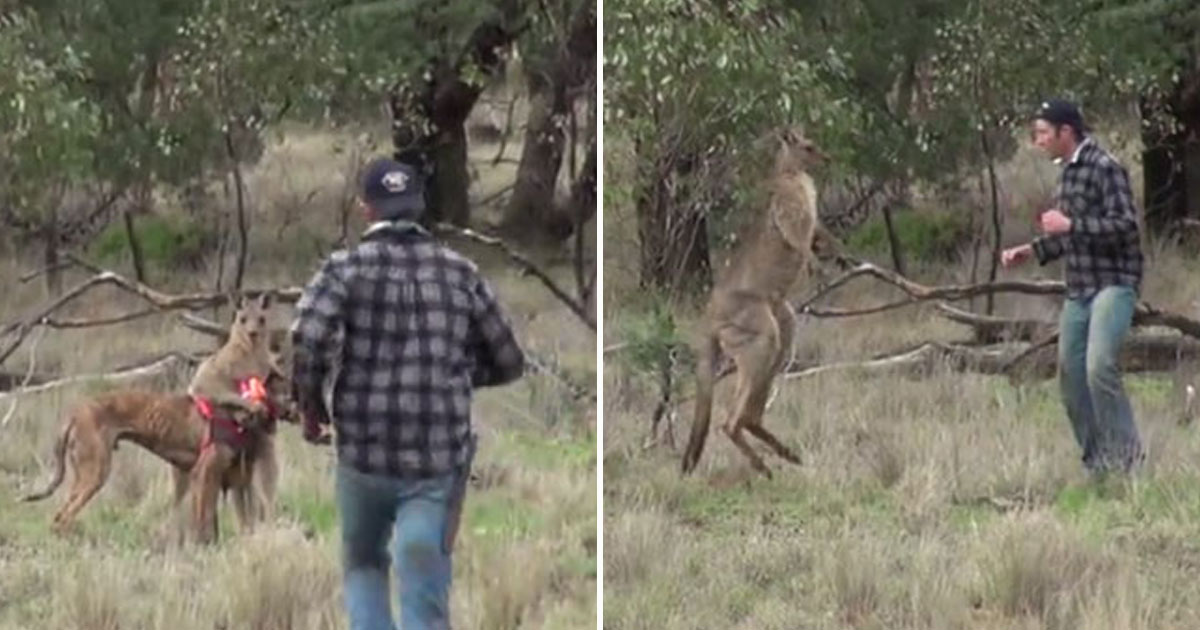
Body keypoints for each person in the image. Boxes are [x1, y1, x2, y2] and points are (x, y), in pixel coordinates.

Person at [290, 156, 526, 630]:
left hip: (363, 455)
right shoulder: (460, 272)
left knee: (364, 565)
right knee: (424, 585)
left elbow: (306, 336)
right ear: (418, 207)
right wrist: (452, 375)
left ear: (366, 209)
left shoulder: (344, 269)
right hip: (435, 464)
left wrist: (311, 406)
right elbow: (508, 359)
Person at [1001, 98, 1145, 477]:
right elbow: (1068, 237)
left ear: (1066, 132)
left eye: (1043, 133)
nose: (1038, 141)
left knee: (1099, 367)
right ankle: (1098, 463)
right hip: (1079, 288)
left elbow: (1126, 226)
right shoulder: (1066, 173)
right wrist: (1030, 251)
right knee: (1070, 375)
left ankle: (1128, 461)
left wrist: (1071, 225)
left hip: (1114, 281)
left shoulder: (1105, 167)